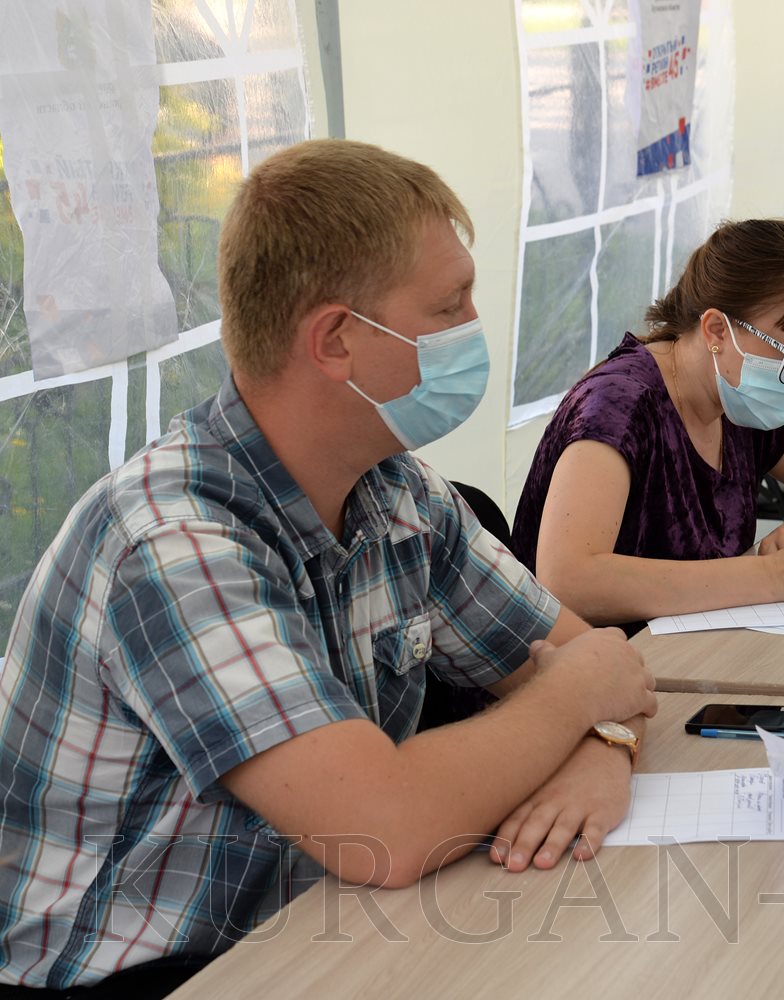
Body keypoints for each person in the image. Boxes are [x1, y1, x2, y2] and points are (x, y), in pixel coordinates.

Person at [0, 140, 659, 994]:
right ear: (337, 341)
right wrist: (579, 700)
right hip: (138, 975)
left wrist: (604, 745)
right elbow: (386, 828)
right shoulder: (170, 543)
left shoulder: (397, 490)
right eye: (450, 305)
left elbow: (598, 669)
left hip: (308, 934)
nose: (474, 327)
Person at [510, 219, 784, 630]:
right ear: (716, 330)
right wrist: (773, 576)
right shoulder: (618, 405)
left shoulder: (740, 398)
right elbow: (569, 581)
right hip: (587, 659)